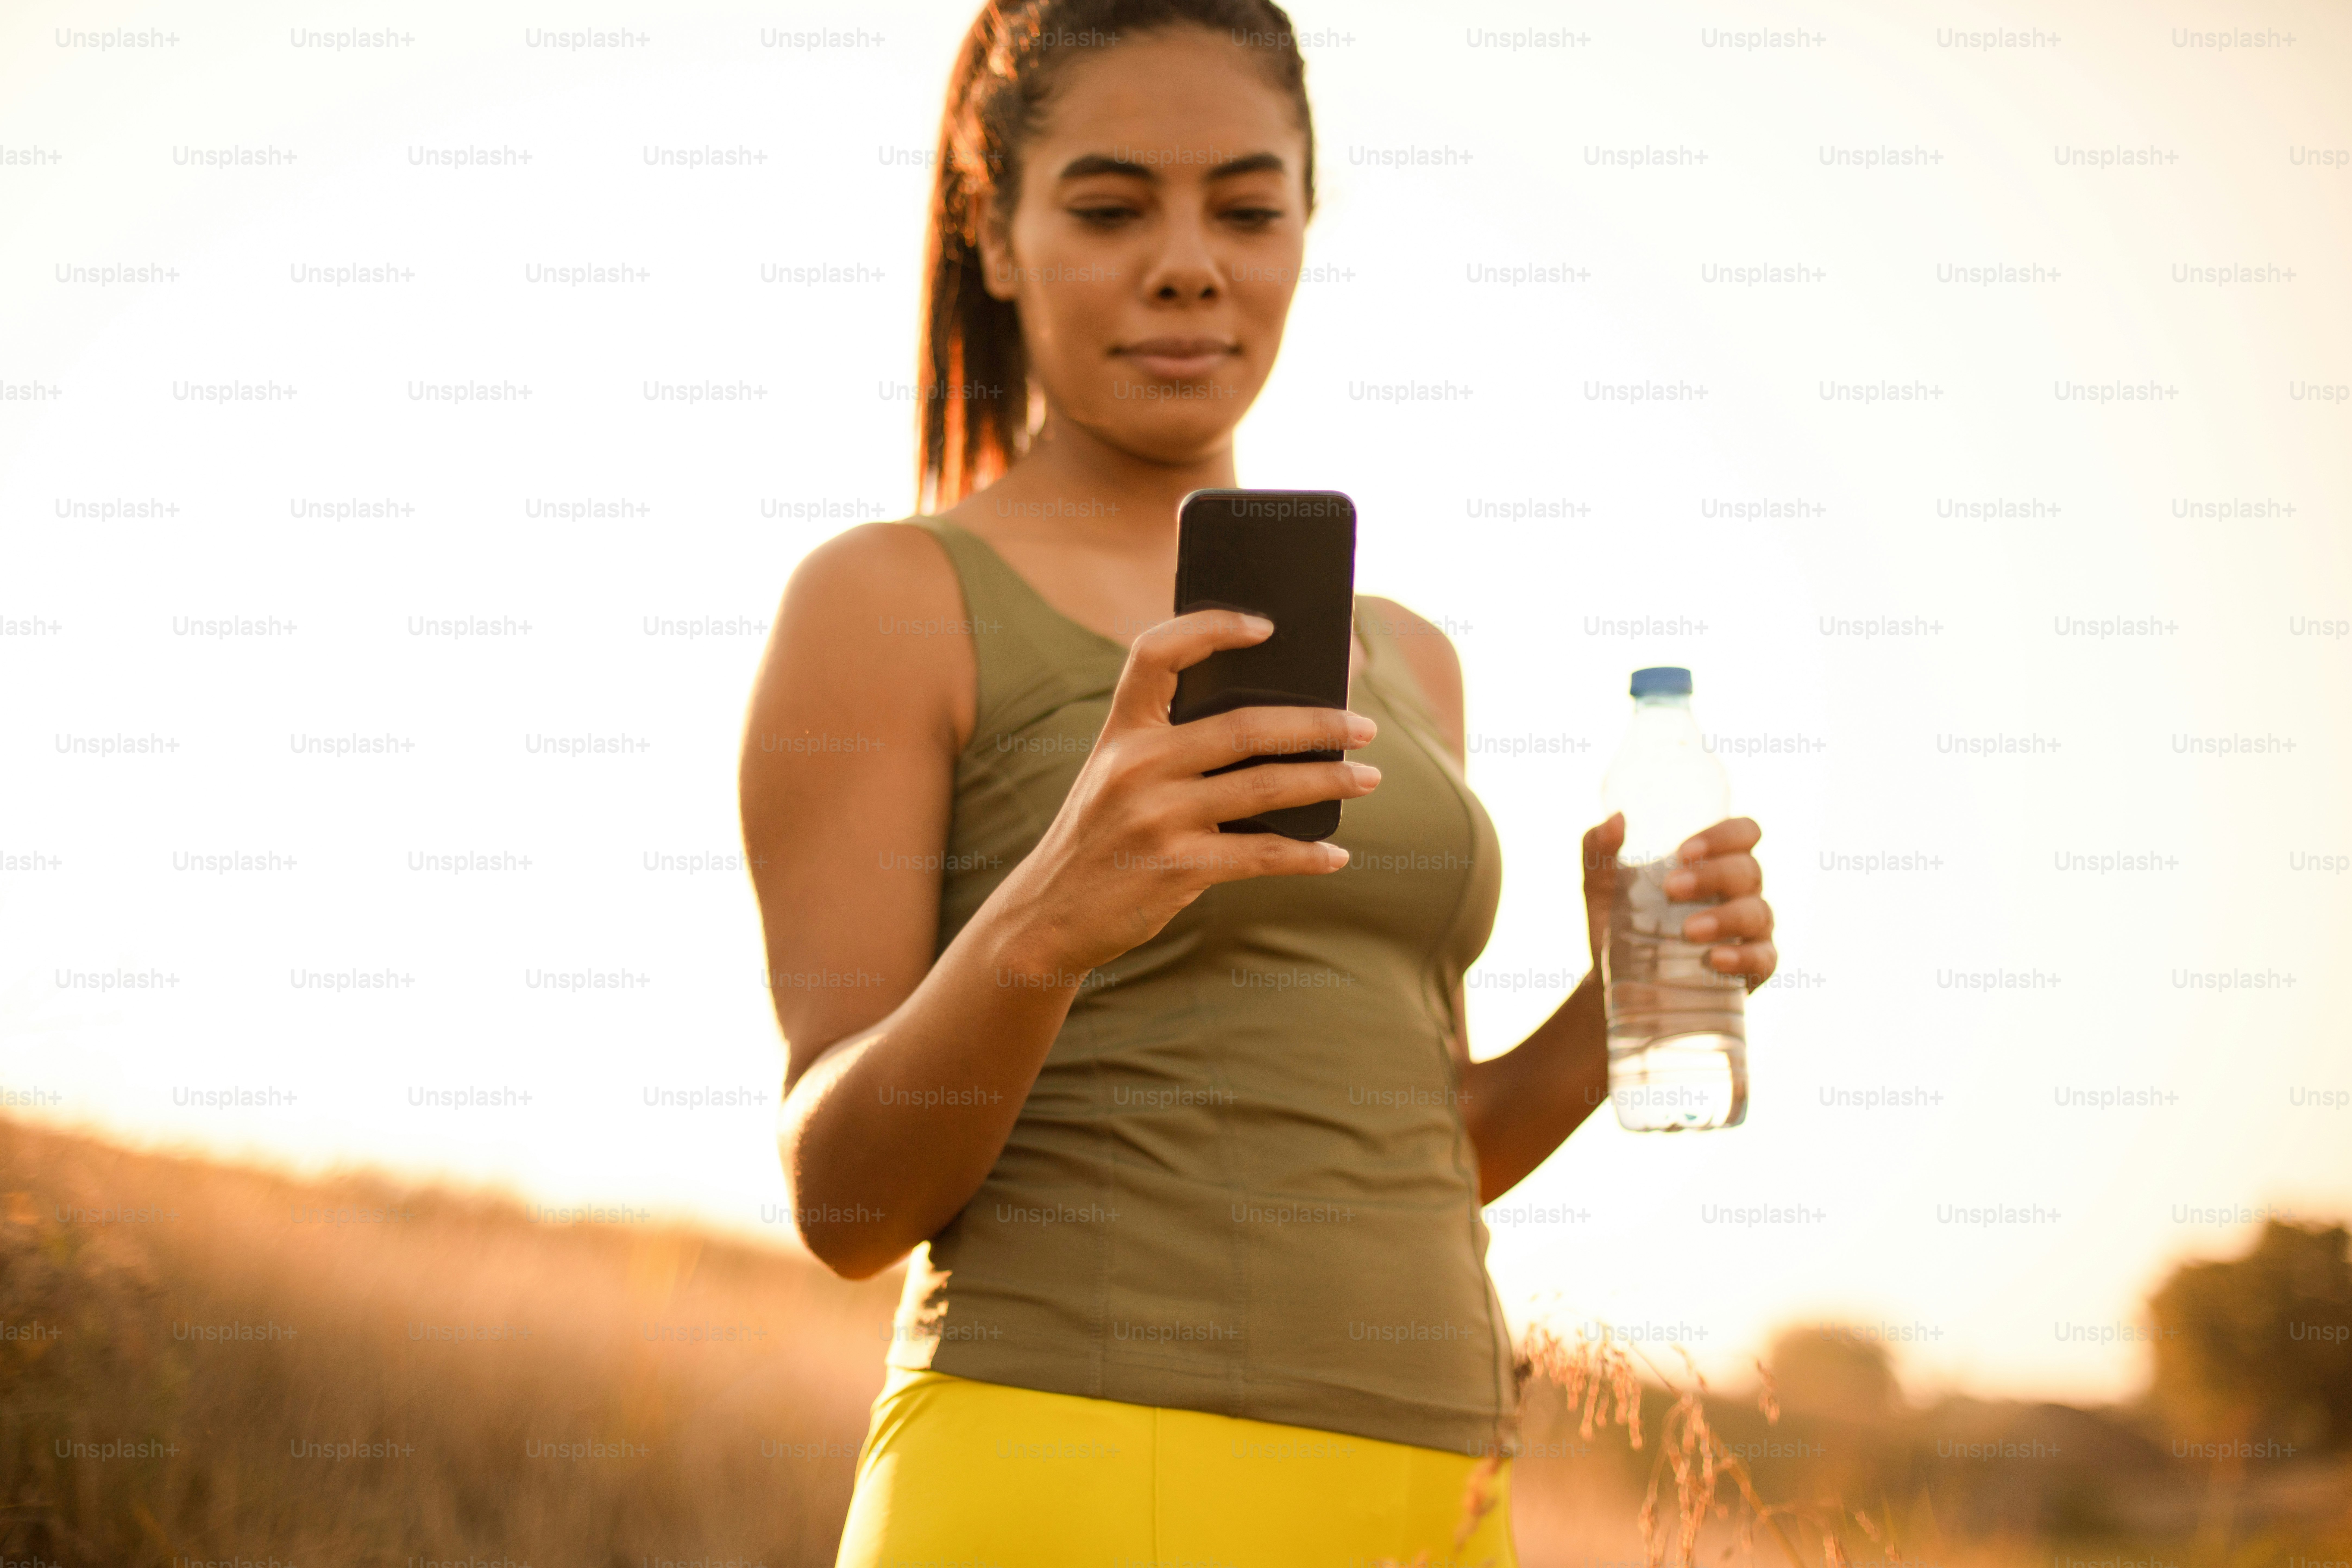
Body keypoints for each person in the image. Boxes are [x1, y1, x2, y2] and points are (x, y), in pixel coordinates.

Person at [737, 3, 1780, 1562]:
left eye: (1245, 207)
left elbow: (1417, 1147)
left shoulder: (1409, 663)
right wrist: (1050, 915)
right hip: (1067, 1465)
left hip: (1431, 1493)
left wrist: (1628, 999)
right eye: (1107, 208)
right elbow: (842, 1206)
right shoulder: (889, 601)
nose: (1187, 262)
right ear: (997, 236)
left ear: (1303, 223)